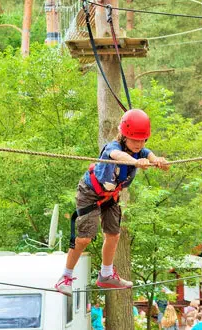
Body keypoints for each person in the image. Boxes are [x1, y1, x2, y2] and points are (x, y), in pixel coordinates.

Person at [54, 109, 169, 295]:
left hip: (111, 196)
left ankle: (106, 275)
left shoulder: (141, 151)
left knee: (113, 234)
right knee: (84, 238)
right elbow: (118, 156)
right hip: (90, 193)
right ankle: (64, 278)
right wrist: (134, 162)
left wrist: (158, 161)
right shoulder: (113, 148)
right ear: (123, 136)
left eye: (142, 140)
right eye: (134, 140)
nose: (139, 144)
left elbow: (150, 154)